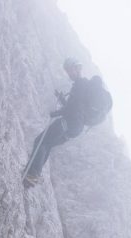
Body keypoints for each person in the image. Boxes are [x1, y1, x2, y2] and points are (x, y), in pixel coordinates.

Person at [23, 57, 91, 188]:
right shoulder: (82, 86)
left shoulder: (81, 85)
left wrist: (56, 113)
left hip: (69, 123)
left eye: (70, 70)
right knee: (47, 144)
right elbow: (75, 107)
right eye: (67, 71)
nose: (69, 74)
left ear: (77, 69)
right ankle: (33, 175)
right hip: (75, 128)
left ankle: (32, 174)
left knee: (40, 141)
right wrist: (61, 99)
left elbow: (72, 109)